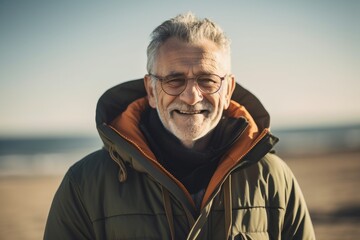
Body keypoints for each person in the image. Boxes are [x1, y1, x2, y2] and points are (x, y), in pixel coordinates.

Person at [44, 13, 315, 239]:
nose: (191, 96)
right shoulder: (84, 184)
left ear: (229, 89)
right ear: (151, 90)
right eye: (174, 80)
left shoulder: (273, 178)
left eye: (207, 80)